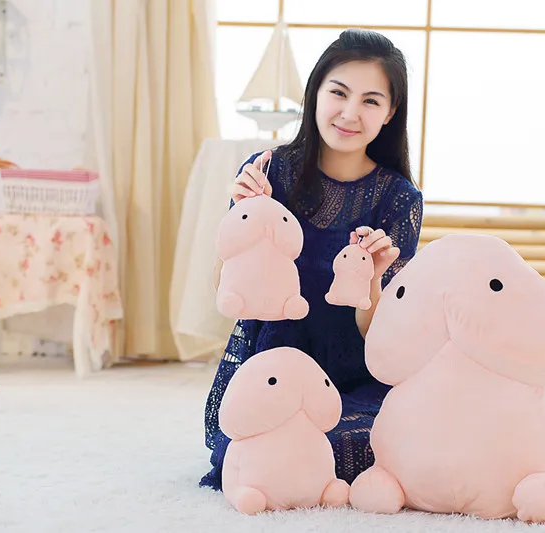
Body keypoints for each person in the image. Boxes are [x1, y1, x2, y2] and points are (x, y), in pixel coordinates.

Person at [200, 28, 424, 490]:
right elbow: (229, 291)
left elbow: (385, 338)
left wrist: (373, 281)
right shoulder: (269, 171)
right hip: (272, 367)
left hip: (356, 379)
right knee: (244, 456)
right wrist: (245, 219)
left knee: (366, 443)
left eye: (370, 101)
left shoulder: (400, 199)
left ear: (390, 113)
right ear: (315, 93)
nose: (349, 113)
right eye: (338, 93)